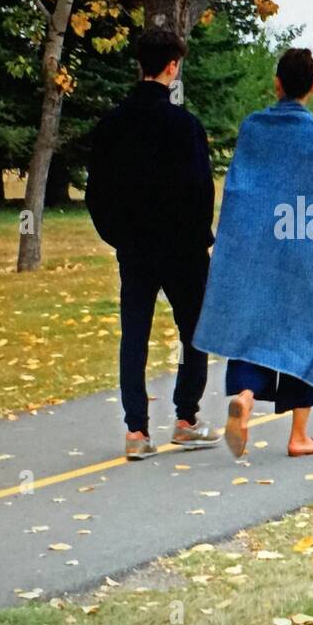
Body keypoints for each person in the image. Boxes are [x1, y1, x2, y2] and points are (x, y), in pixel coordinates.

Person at [193, 48, 313, 459]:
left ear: (276, 84)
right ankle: (298, 436)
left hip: (256, 248)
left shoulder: (252, 128)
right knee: (308, 332)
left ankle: (245, 395)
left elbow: (241, 191)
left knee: (253, 328)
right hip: (303, 252)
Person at [85, 28, 221, 459]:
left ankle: (136, 432)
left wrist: (118, 236)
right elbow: (202, 190)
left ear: (139, 64)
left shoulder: (112, 126)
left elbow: (97, 193)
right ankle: (185, 418)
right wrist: (201, 240)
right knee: (193, 333)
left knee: (135, 335)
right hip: (182, 249)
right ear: (172, 66)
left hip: (136, 247)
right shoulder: (186, 127)